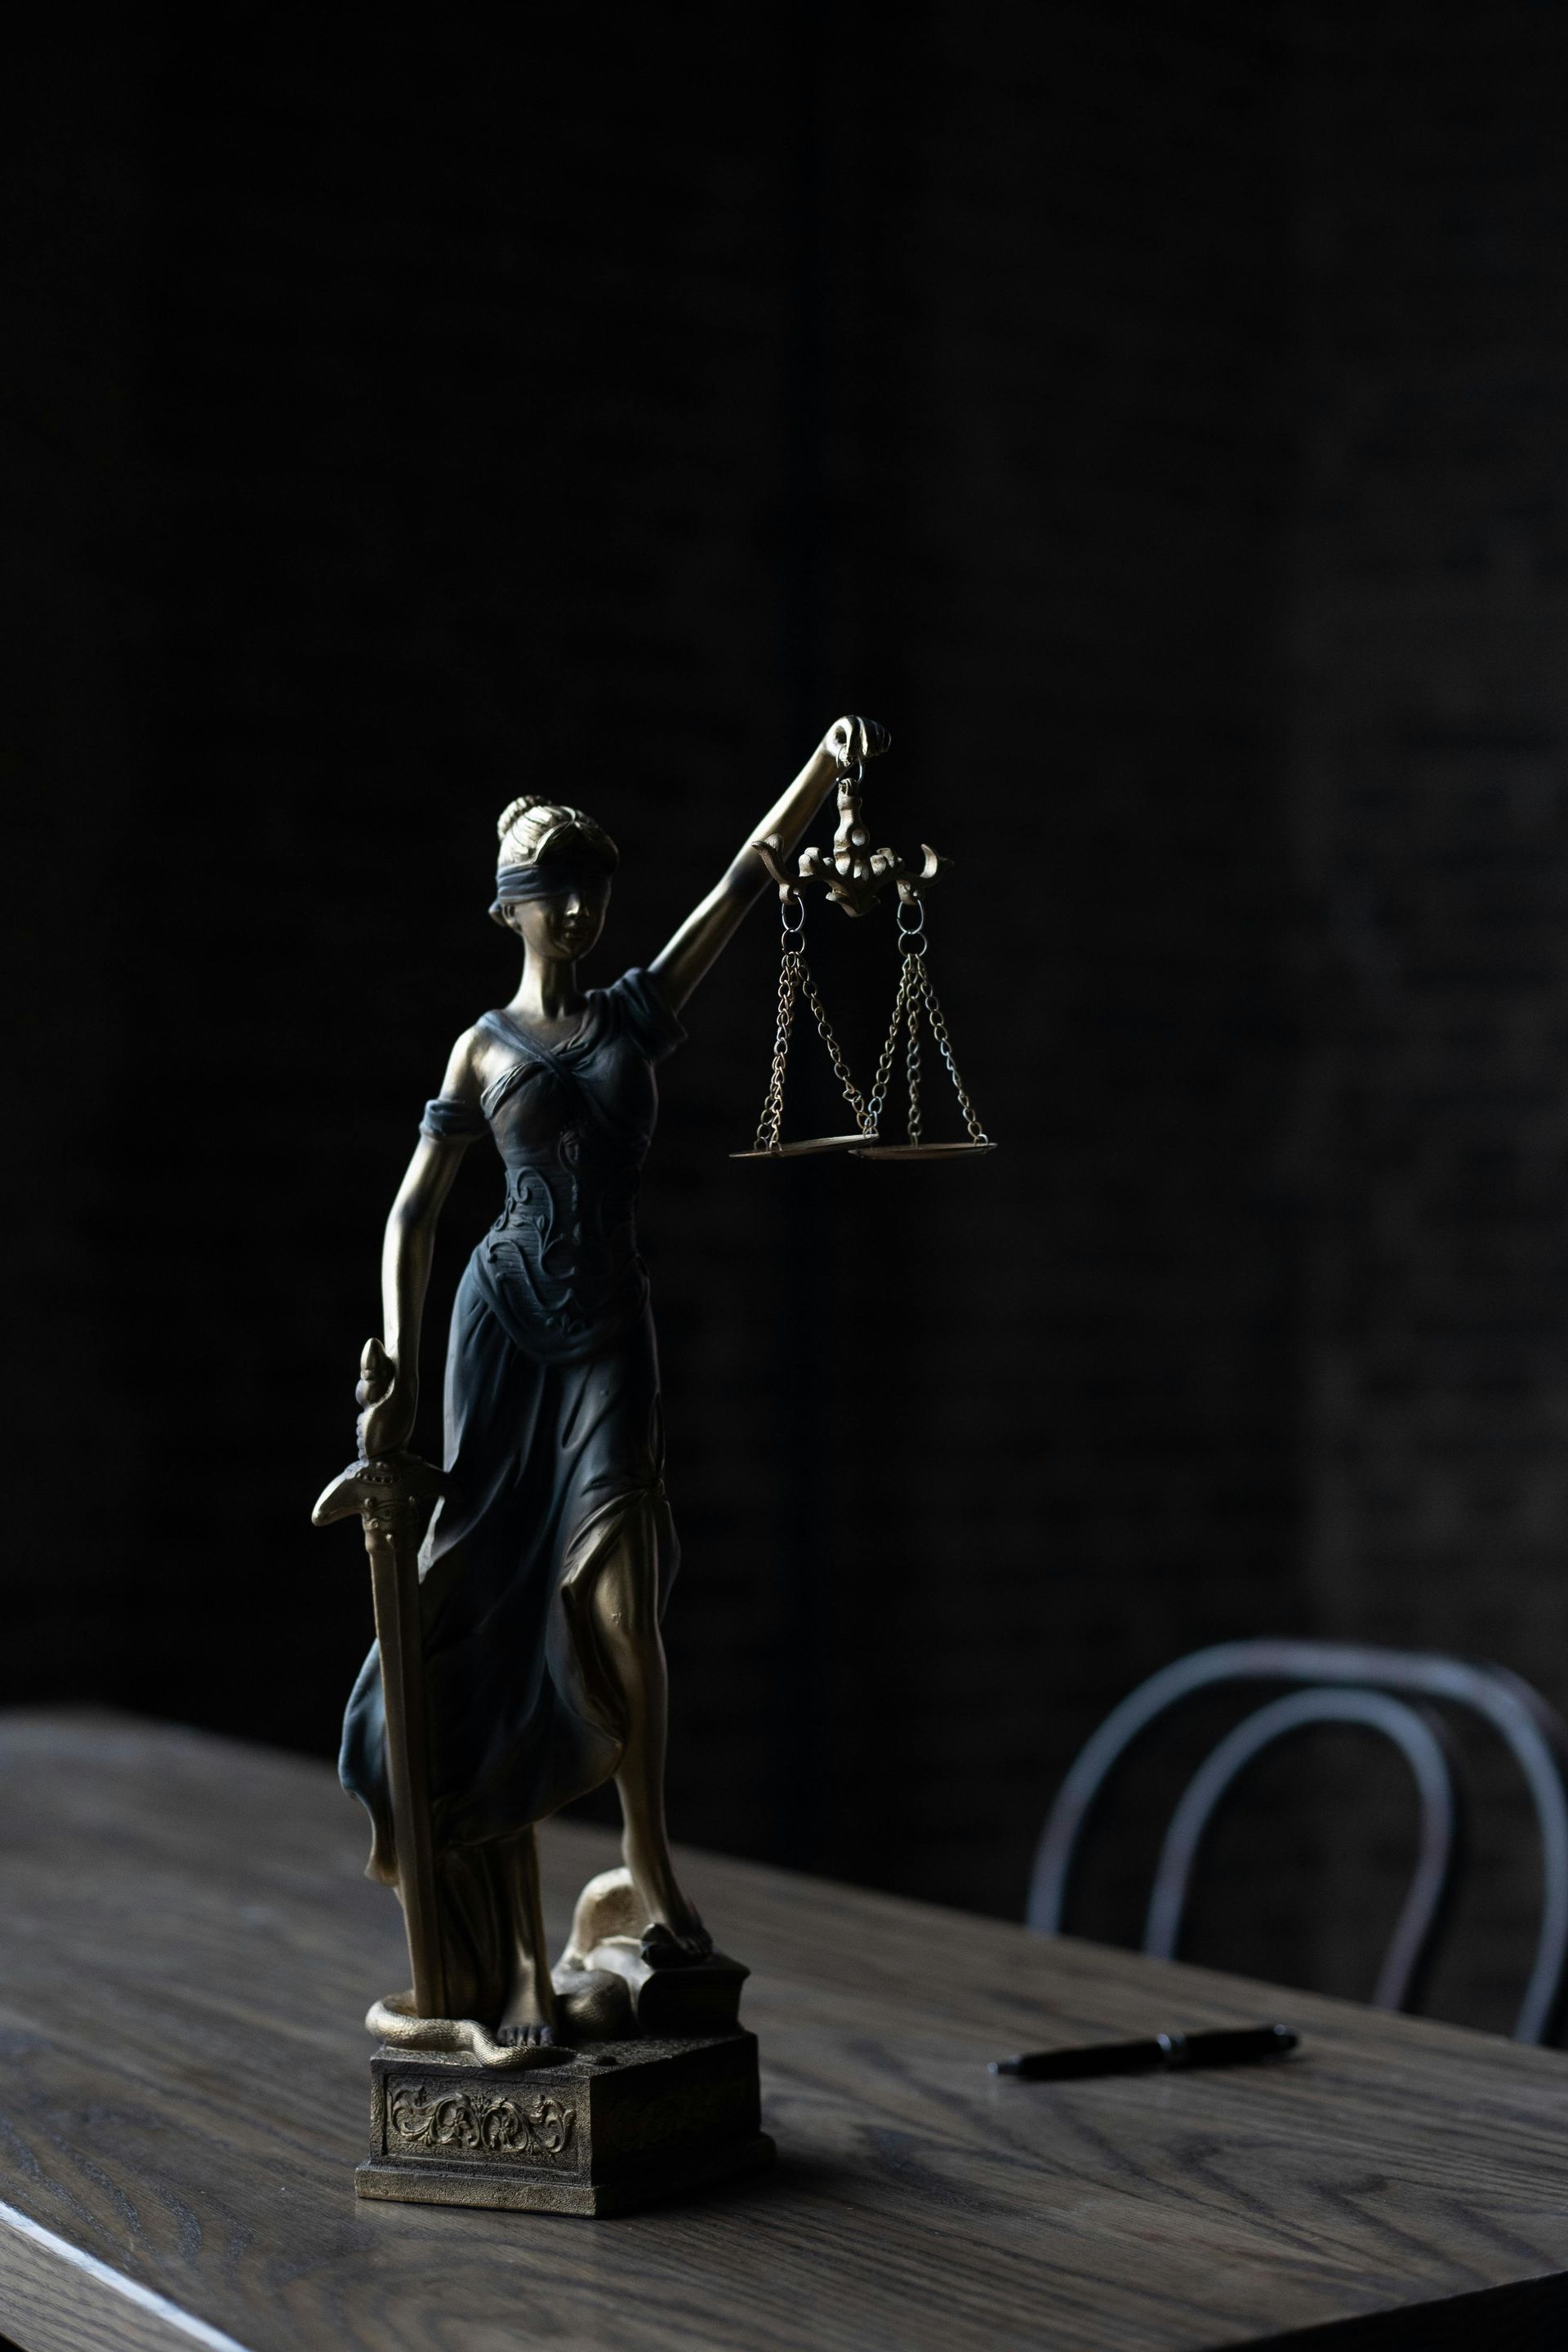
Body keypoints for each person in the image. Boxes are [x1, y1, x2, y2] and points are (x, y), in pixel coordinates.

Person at [341, 714, 887, 2039]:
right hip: (500, 1333)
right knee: (482, 1609)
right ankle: (507, 1949)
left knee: (624, 1597)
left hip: (606, 1339)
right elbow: (419, 1212)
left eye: (594, 887)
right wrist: (405, 1377)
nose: (579, 909)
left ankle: (647, 1860)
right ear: (509, 910)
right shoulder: (482, 1050)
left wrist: (822, 778)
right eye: (553, 892)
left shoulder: (639, 1009)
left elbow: (749, 880)